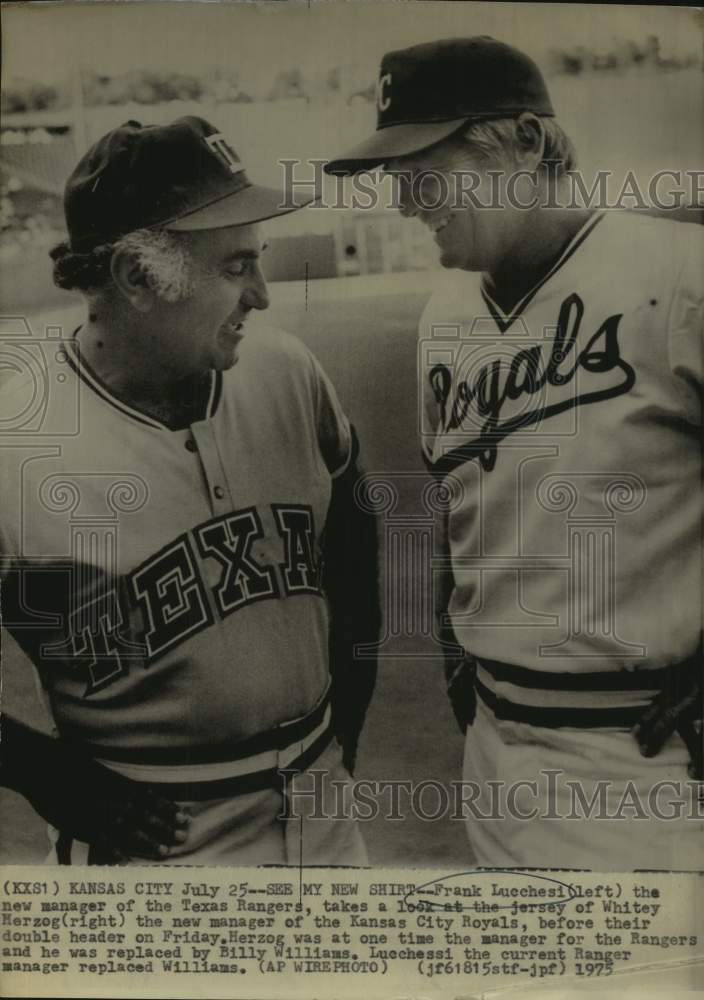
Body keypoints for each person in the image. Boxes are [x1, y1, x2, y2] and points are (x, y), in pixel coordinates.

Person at [326, 37, 702, 868]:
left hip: (639, 757)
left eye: (422, 166)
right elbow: (459, 508)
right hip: (493, 753)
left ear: (526, 144)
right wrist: (462, 659)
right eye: (393, 175)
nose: (403, 200)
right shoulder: (443, 319)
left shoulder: (679, 275)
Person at [0, 115, 379, 865]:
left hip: (323, 814)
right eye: (237, 268)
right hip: (155, 843)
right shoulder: (17, 441)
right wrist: (38, 771)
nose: (263, 296)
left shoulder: (286, 373)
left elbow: (354, 546)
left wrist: (344, 738)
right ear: (140, 279)